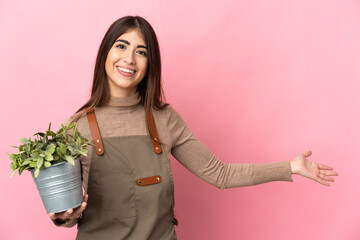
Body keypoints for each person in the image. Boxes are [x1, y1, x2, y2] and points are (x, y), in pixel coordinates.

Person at [48, 16, 338, 240]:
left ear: (150, 64)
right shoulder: (76, 127)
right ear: (105, 54)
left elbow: (219, 174)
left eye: (141, 51)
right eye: (121, 46)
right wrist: (63, 215)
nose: (129, 59)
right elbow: (68, 212)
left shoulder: (164, 118)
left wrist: (291, 167)